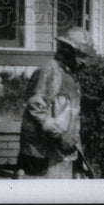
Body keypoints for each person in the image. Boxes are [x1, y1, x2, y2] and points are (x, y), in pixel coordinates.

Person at [15, 26, 96, 179]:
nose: (84, 62)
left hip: (61, 154)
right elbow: (35, 107)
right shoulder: (50, 71)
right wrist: (60, 135)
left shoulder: (70, 75)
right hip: (41, 155)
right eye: (81, 56)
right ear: (67, 50)